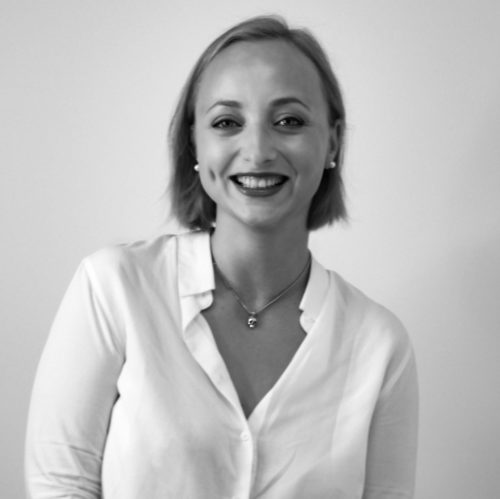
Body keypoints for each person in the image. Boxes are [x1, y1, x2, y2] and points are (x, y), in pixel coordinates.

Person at [25, 15, 418, 499]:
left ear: (333, 142)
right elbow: (59, 486)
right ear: (194, 140)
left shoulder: (379, 344)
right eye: (227, 123)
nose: (258, 150)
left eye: (289, 121)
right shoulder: (113, 288)